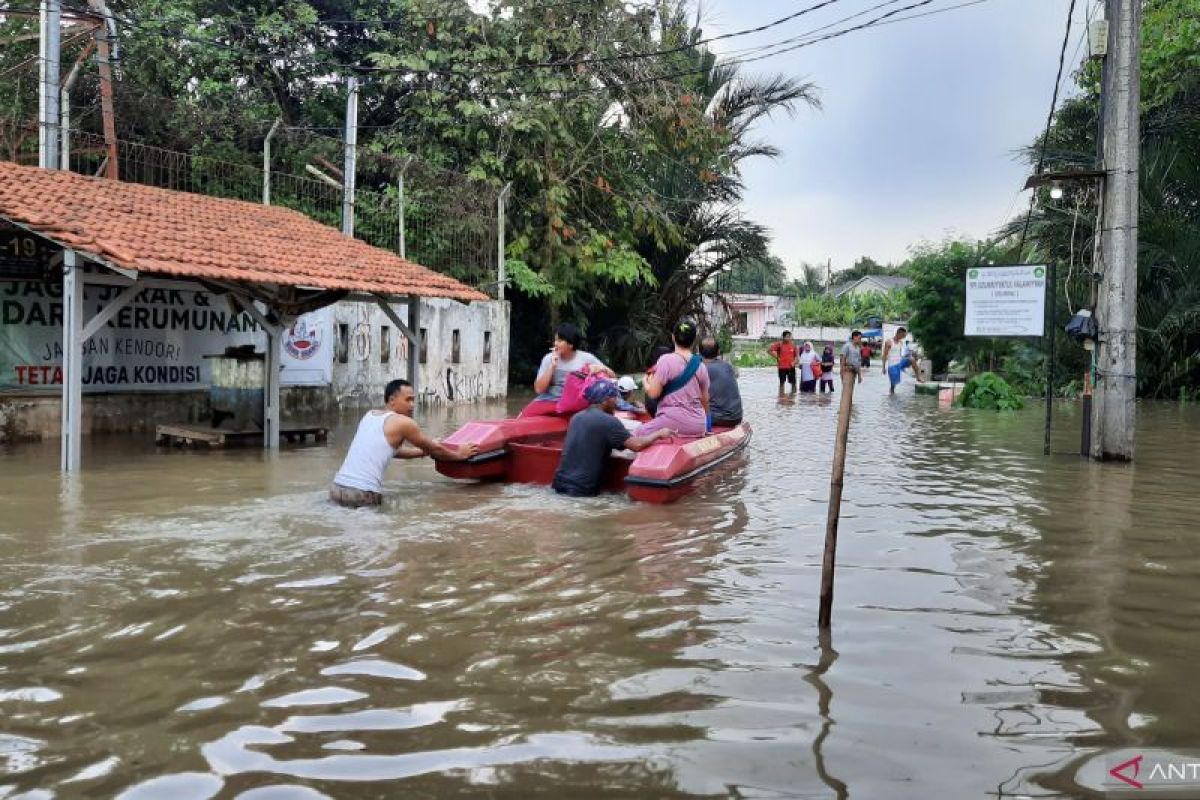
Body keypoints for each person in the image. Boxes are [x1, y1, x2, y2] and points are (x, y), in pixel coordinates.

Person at [330, 379, 478, 507]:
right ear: (392, 400)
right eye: (408, 400)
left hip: (337, 489)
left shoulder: (369, 416)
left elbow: (390, 451)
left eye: (413, 400)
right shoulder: (404, 423)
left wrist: (422, 452)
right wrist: (460, 454)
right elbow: (436, 450)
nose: (412, 405)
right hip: (362, 492)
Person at [552, 379, 675, 497]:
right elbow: (636, 445)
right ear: (605, 400)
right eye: (614, 397)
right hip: (581, 491)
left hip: (558, 485)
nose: (616, 402)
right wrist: (659, 434)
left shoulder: (576, 418)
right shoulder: (609, 422)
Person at [521, 323, 613, 417]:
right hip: (551, 399)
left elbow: (612, 377)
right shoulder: (548, 358)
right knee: (522, 415)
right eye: (555, 340)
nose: (555, 344)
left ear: (571, 344)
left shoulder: (587, 358)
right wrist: (552, 367)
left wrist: (602, 368)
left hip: (576, 403)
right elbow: (539, 389)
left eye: (560, 341)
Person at [641, 319, 710, 437]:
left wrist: (645, 382)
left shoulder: (665, 360)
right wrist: (707, 424)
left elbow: (653, 394)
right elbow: (705, 400)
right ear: (694, 340)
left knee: (638, 432)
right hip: (698, 425)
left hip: (671, 422)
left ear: (673, 337)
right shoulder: (701, 365)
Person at [699, 336, 743, 426]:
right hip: (737, 416)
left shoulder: (702, 369)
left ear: (699, 352)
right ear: (718, 352)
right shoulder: (727, 366)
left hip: (718, 417)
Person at [882, 326, 923, 394]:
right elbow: (884, 355)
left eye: (904, 335)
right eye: (903, 335)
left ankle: (918, 377)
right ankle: (892, 397)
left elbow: (900, 353)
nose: (904, 337)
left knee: (912, 359)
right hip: (892, 365)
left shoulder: (901, 342)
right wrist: (883, 368)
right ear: (899, 333)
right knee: (893, 385)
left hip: (900, 362)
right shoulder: (889, 342)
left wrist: (906, 361)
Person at [643, 345, 672, 418]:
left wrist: (644, 380)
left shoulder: (652, 371)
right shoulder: (672, 369)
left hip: (656, 406)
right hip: (662, 406)